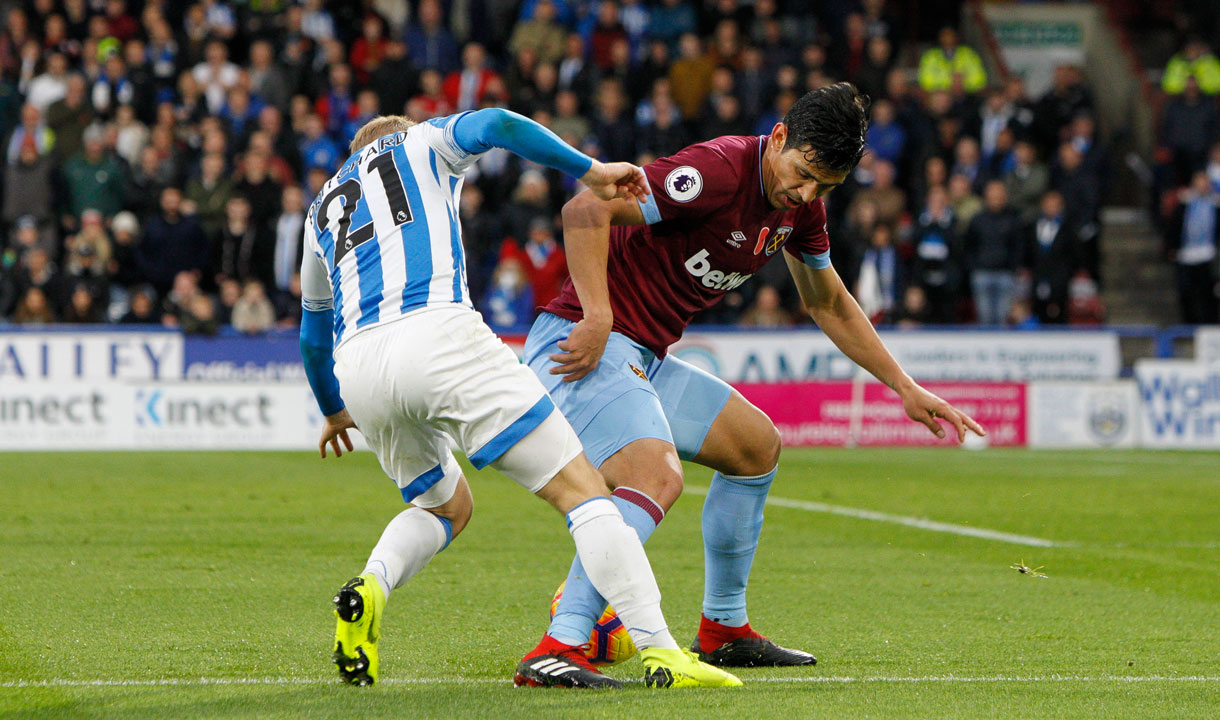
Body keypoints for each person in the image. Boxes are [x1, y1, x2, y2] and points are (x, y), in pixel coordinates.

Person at [519, 83, 986, 683]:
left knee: (755, 447)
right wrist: (598, 315)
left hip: (642, 357)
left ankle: (723, 630)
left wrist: (903, 386)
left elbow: (830, 305)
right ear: (781, 137)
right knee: (655, 477)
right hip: (579, 345)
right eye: (805, 173)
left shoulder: (801, 210)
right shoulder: (715, 170)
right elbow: (585, 209)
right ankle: (561, 643)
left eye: (826, 187)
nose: (807, 192)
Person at [299, 107, 741, 690]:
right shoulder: (421, 142)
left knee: (442, 507)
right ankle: (664, 654)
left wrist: (334, 411)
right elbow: (499, 124)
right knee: (585, 494)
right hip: (436, 331)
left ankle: (372, 585)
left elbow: (311, 332)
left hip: (357, 363)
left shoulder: (319, 211)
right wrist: (589, 169)